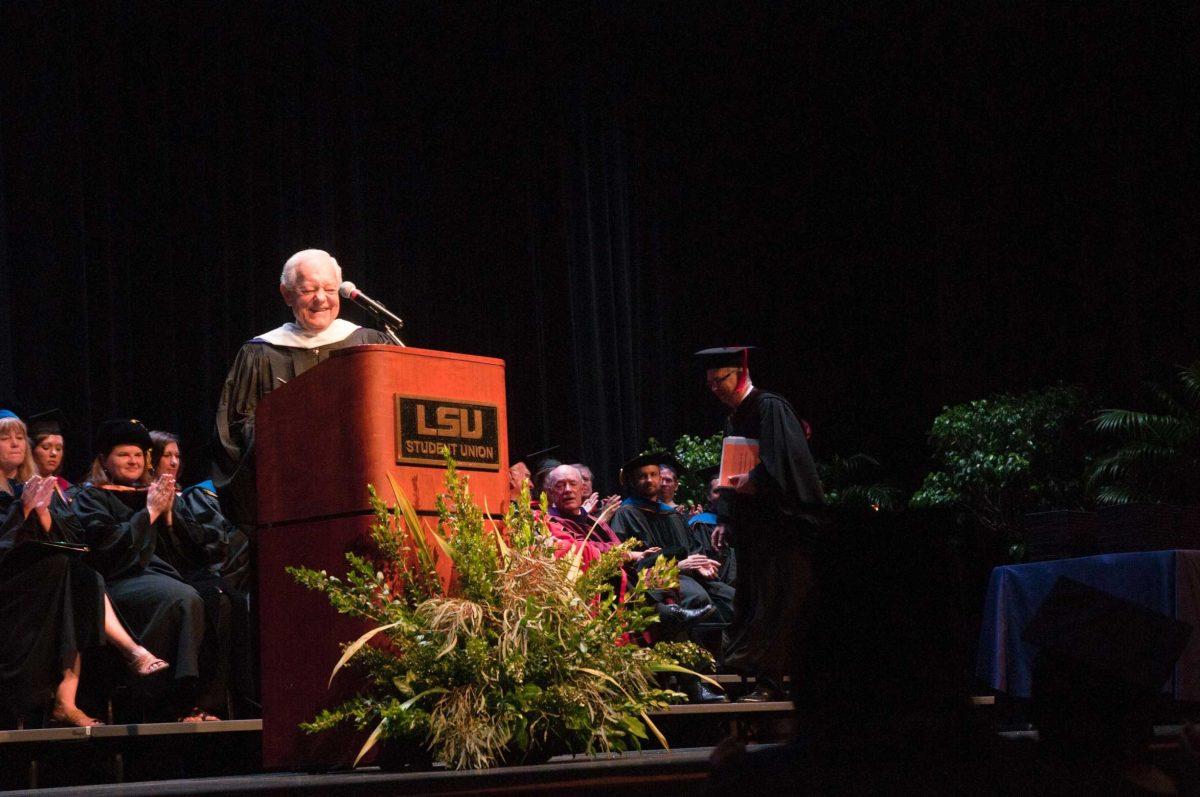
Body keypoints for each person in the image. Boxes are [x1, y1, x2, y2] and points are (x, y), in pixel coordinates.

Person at [0, 411, 167, 728]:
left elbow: (67, 535)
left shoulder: (32, 485)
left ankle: (68, 700)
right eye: (5, 437)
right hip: (10, 585)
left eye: (20, 437)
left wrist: (41, 511)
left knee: (79, 573)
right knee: (71, 573)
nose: (15, 444)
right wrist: (25, 509)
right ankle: (129, 651)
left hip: (43, 577)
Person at [212, 249, 391, 538]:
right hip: (286, 502)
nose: (320, 298)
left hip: (360, 495)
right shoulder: (260, 353)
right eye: (308, 290)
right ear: (287, 295)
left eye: (330, 289)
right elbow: (232, 433)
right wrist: (290, 437)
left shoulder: (370, 344)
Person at [696, 345, 824, 702]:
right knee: (751, 602)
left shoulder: (770, 407)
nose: (715, 388)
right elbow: (730, 472)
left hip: (785, 529)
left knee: (778, 604)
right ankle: (743, 676)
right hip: (756, 531)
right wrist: (724, 518)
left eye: (719, 380)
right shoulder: (734, 419)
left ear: (741, 373)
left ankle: (770, 683)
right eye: (710, 384)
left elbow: (785, 465)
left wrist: (754, 481)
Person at [71, 419, 216, 721]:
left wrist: (169, 516)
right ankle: (169, 698)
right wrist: (149, 513)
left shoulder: (151, 492)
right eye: (124, 455)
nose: (133, 461)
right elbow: (106, 550)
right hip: (118, 580)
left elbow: (190, 550)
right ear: (105, 461)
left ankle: (200, 701)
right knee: (182, 599)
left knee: (217, 597)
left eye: (138, 455)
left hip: (161, 574)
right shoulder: (91, 496)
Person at [608, 452, 734, 625]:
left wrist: (700, 564)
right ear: (633, 481)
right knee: (698, 597)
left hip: (688, 574)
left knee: (732, 597)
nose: (649, 480)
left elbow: (692, 547)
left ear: (660, 479)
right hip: (654, 578)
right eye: (642, 476)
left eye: (653, 475)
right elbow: (628, 560)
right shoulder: (626, 513)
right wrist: (676, 566)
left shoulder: (672, 514)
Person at [686, 471, 737, 586]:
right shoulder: (701, 524)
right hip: (716, 587)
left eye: (727, 490)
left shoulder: (743, 523)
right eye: (717, 491)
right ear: (708, 496)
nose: (722, 495)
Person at [27, 409, 71, 492]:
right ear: (31, 450)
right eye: (46, 447)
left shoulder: (68, 489)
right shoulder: (21, 487)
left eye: (58, 449)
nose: (54, 453)